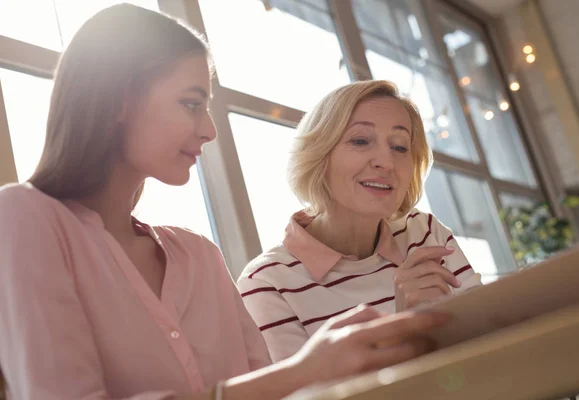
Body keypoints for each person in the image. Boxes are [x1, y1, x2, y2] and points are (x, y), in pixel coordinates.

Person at [0, 5, 452, 400]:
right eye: (191, 103)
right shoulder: (23, 217)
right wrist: (306, 370)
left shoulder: (200, 255)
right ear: (121, 98)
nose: (209, 131)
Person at [238, 80, 482, 363]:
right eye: (360, 141)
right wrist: (402, 326)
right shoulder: (267, 283)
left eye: (400, 147)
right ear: (319, 156)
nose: (386, 162)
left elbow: (492, 335)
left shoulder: (424, 232)